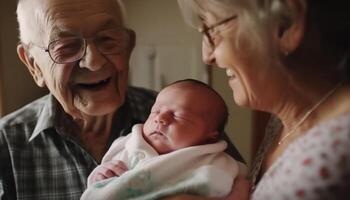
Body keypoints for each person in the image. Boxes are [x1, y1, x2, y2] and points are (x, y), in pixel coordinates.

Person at [0, 0, 244, 199]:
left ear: (129, 46)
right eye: (65, 47)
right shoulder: (7, 144)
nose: (94, 61)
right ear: (34, 66)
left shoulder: (190, 117)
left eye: (108, 39)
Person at [173, 0, 350, 199]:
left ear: (285, 25)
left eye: (211, 30)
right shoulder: (282, 123)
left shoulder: (330, 153)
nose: (207, 56)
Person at [81, 79, 247, 200]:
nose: (161, 119)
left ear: (210, 135)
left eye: (178, 115)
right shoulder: (128, 144)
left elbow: (241, 187)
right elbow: (101, 182)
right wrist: (99, 176)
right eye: (155, 111)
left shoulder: (215, 161)